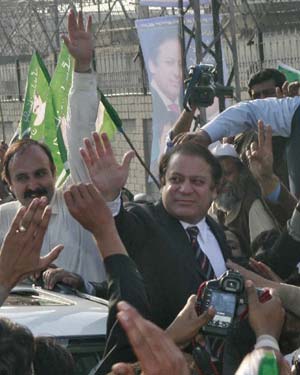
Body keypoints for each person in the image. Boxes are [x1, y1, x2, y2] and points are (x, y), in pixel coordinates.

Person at [0, 10, 106, 286]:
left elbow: (81, 131)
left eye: (40, 174)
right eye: (22, 178)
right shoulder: (2, 221)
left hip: (84, 327)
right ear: (8, 184)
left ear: (54, 172)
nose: (34, 184)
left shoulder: (79, 208)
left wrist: (82, 65)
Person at [209, 141, 279, 256]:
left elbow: (266, 254)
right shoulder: (216, 207)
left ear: (241, 174)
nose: (222, 181)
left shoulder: (252, 205)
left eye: (228, 173)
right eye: (217, 176)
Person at [145, 28, 183, 173]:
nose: (177, 73)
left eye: (180, 64)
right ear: (152, 65)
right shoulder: (156, 106)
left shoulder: (178, 101)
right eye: (169, 63)